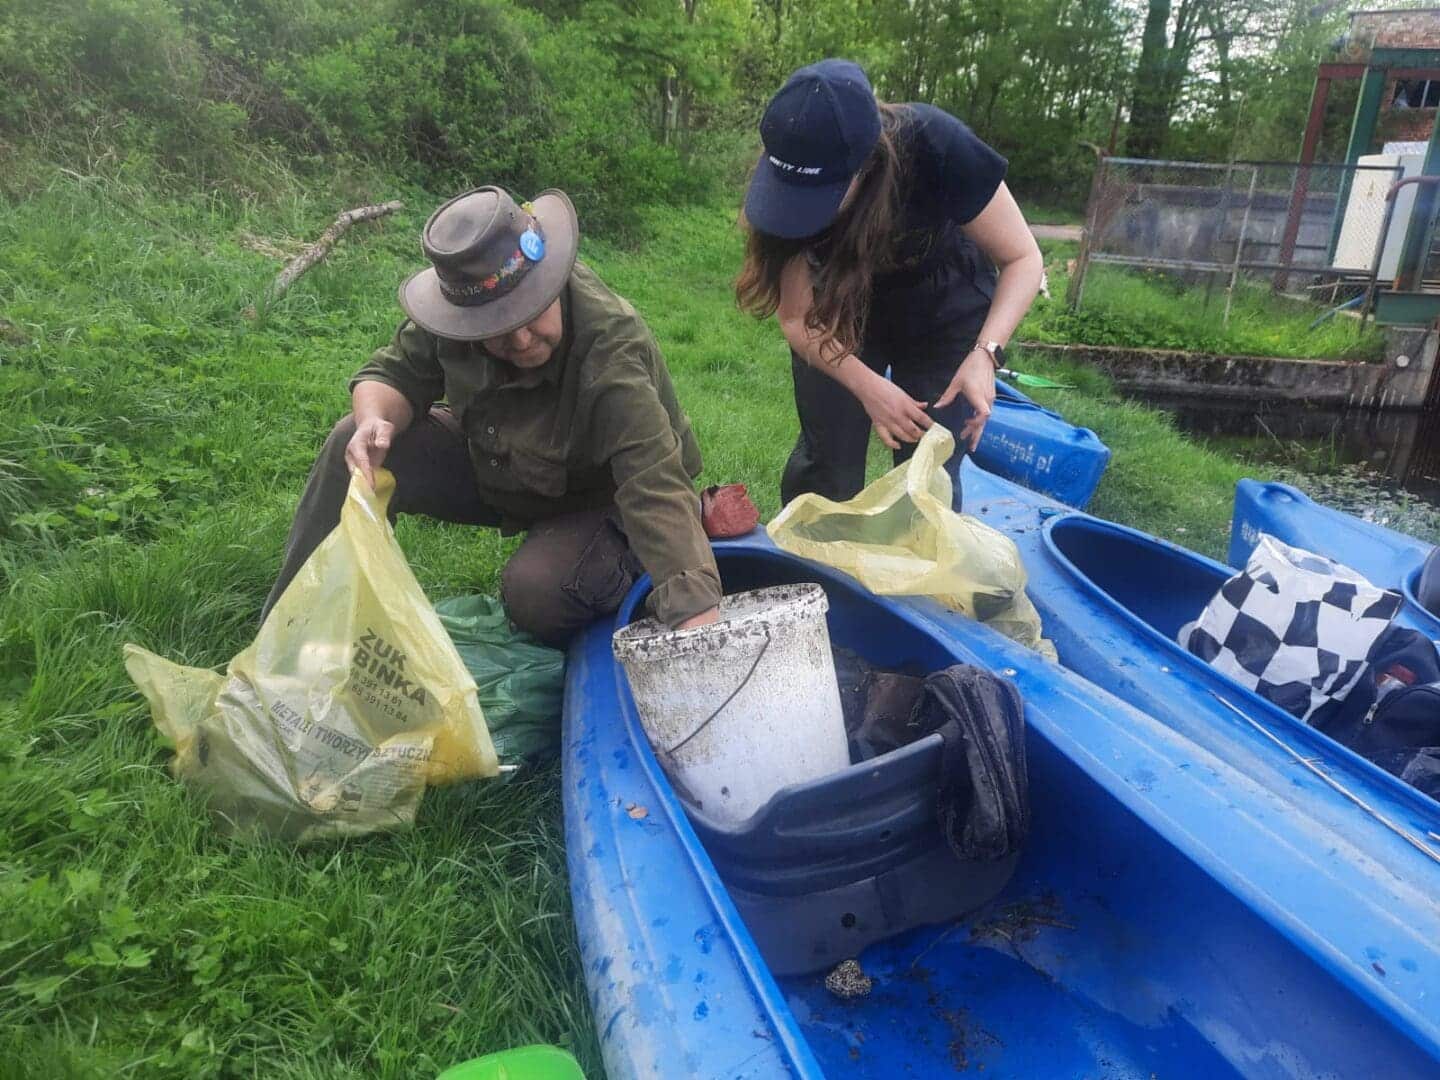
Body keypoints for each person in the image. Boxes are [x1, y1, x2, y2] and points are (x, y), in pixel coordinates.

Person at [264, 185, 722, 644]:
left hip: (605, 494)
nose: (521, 340)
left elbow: (653, 483)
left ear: (554, 281)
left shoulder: (611, 350)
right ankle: (291, 635)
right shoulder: (458, 308)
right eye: (498, 327)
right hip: (502, 465)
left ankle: (616, 561)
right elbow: (392, 374)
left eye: (533, 314)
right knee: (355, 444)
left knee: (535, 593)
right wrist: (372, 420)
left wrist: (696, 620)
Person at [736, 58, 1044, 505]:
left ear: (865, 167)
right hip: (841, 302)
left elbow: (1023, 258)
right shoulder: (786, 173)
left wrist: (986, 355)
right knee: (827, 463)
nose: (797, 216)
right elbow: (796, 318)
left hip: (943, 299)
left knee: (931, 463)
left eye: (816, 200)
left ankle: (922, 566)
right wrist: (867, 386)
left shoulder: (939, 144)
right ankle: (813, 566)